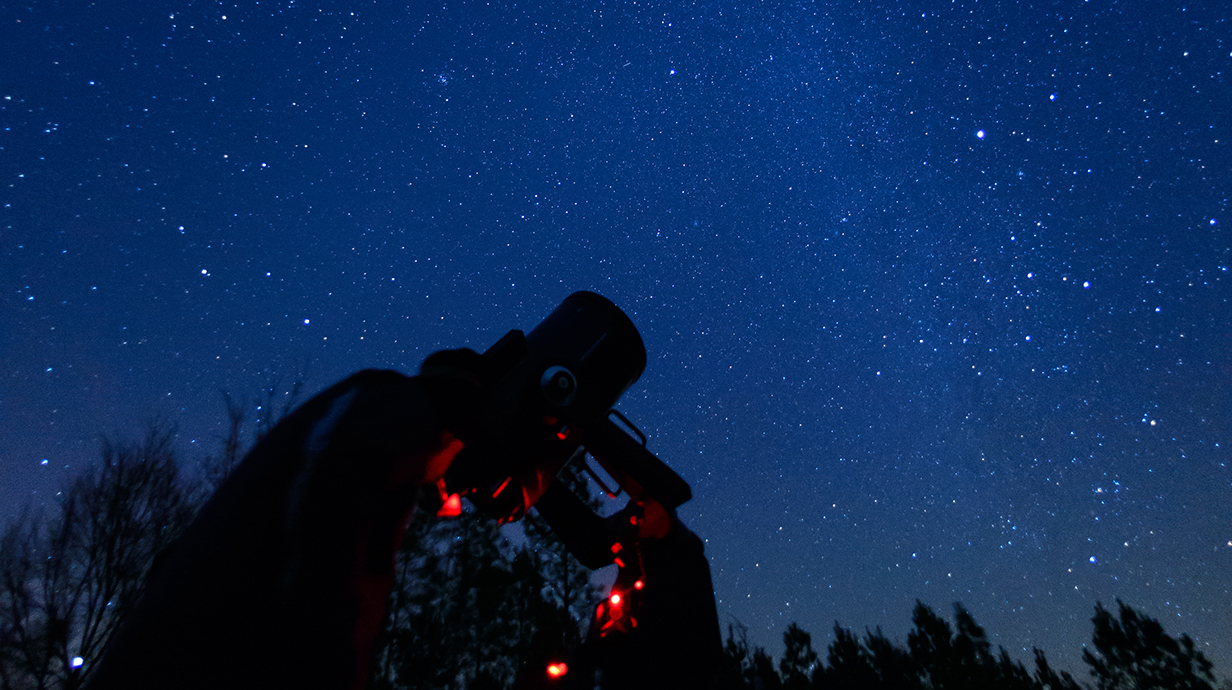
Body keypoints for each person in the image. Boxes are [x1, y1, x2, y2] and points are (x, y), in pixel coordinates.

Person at [87, 360, 721, 690]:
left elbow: (649, 519)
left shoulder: (675, 570)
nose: (442, 500)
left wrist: (562, 440)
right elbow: (594, 542)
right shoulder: (652, 586)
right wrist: (535, 470)